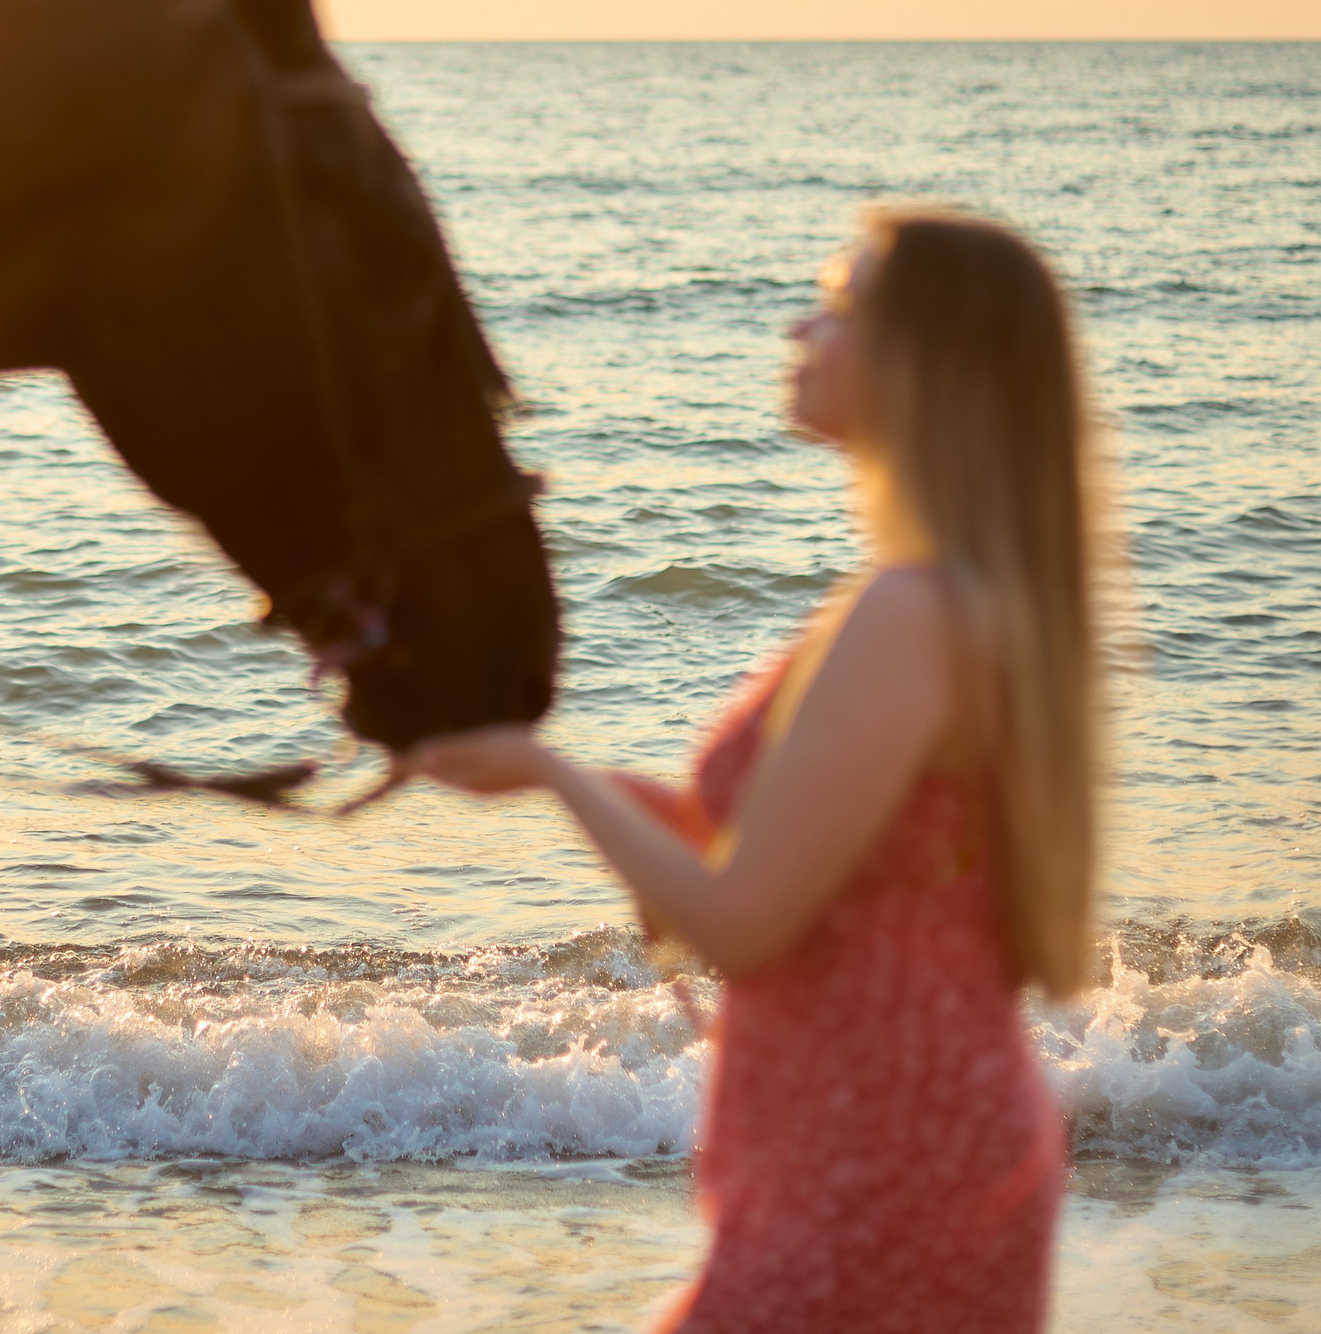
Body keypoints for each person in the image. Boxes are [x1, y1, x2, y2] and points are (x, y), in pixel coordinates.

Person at [407, 208, 1111, 1333]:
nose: (799, 328)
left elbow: (742, 919)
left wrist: (552, 774)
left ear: (920, 362)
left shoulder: (910, 608)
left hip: (885, 1152)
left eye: (837, 309)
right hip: (909, 1134)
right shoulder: (946, 597)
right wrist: (560, 775)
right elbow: (800, 850)